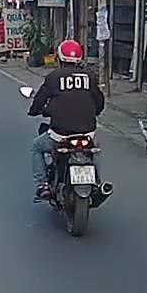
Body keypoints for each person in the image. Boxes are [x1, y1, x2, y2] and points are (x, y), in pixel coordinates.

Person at [27, 40, 105, 201]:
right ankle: (97, 182)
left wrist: (34, 111)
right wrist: (95, 111)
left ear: (59, 59)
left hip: (60, 134)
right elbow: (99, 102)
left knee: (36, 146)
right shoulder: (89, 77)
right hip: (87, 132)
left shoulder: (53, 77)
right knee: (93, 149)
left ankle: (42, 185)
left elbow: (39, 100)